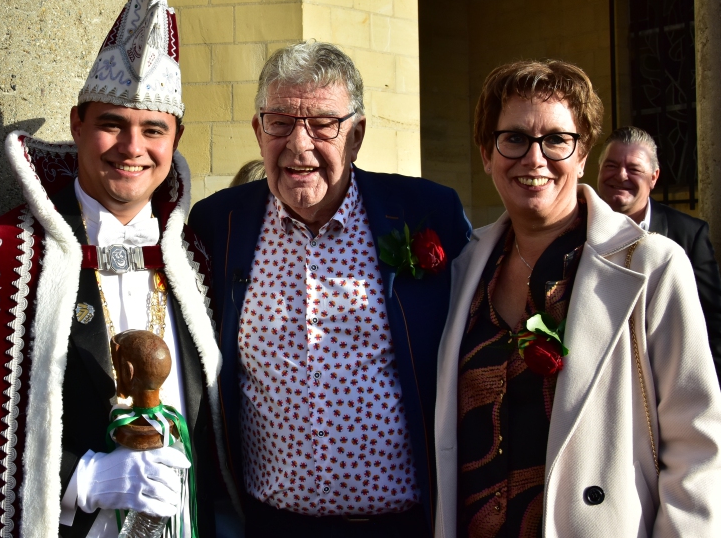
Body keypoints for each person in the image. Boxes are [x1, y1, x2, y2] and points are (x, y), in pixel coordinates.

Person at [0, 0, 235, 538]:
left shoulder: (194, 257)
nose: (132, 148)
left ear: (175, 139)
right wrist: (79, 479)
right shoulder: (7, 255)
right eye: (111, 125)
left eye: (153, 130)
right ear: (77, 124)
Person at [188, 41, 472, 536]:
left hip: (400, 526)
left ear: (355, 135)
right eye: (280, 123)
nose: (299, 146)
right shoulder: (220, 221)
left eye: (322, 124)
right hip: (270, 525)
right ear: (258, 131)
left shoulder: (427, 211)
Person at [434, 60, 721, 537]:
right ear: (486, 153)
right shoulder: (464, 269)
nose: (534, 158)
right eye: (514, 138)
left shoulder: (652, 266)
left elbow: (697, 443)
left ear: (583, 154)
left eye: (556, 140)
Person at [597, 125, 721, 381]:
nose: (621, 175)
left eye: (634, 169)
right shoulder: (573, 229)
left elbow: (712, 318)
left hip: (665, 380)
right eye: (611, 165)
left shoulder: (688, 235)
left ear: (654, 178)